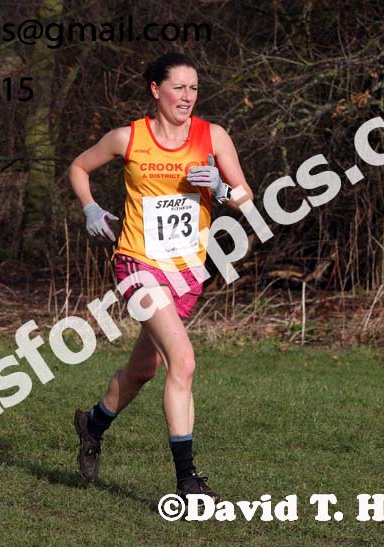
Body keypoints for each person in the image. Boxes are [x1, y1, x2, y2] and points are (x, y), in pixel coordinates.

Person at [68, 52, 253, 501]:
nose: (188, 97)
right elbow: (78, 167)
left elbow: (246, 198)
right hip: (136, 264)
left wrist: (221, 189)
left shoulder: (213, 136)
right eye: (179, 88)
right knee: (183, 362)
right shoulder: (127, 137)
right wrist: (90, 206)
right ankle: (188, 481)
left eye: (194, 88)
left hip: (186, 272)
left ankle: (93, 424)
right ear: (156, 90)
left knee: (142, 369)